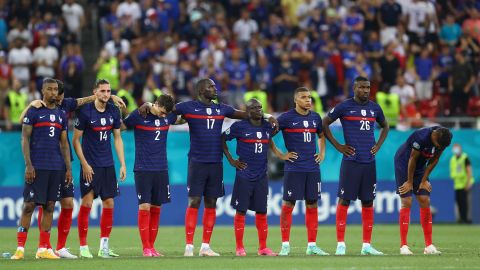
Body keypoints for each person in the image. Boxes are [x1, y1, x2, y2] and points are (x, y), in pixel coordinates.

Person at [140, 78, 277, 257]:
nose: (215, 88)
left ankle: (205, 246)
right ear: (200, 90)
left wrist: (267, 116)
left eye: (214, 86)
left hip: (215, 163)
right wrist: (149, 104)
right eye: (210, 86)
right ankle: (189, 246)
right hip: (197, 163)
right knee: (194, 201)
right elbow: (164, 108)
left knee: (211, 203)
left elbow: (245, 114)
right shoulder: (187, 107)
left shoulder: (221, 108)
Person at [18, 80, 125, 258]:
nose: (57, 96)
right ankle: (43, 247)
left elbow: (84, 100)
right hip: (45, 162)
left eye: (58, 92)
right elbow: (22, 121)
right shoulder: (38, 108)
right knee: (43, 204)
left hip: (63, 163)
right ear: (45, 92)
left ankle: (60, 247)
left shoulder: (65, 105)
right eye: (52, 91)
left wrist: (108, 96)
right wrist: (30, 104)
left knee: (67, 203)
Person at [322, 76, 389, 256]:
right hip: (351, 162)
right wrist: (338, 146)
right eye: (362, 87)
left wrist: (378, 145)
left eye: (368, 87)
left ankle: (366, 245)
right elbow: (324, 122)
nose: (366, 91)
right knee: (344, 200)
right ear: (354, 88)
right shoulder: (344, 106)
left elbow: (385, 125)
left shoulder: (375, 107)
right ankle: (340, 244)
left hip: (369, 162)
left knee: (368, 201)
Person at [11, 78, 72, 260]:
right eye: (50, 89)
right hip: (37, 166)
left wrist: (68, 169)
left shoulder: (62, 115)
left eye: (55, 89)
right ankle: (20, 248)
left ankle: (43, 248)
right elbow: (24, 138)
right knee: (29, 206)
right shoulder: (34, 111)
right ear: (43, 92)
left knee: (50, 206)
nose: (54, 92)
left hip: (56, 167)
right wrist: (29, 164)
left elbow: (64, 144)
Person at [270, 87, 328, 256]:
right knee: (289, 204)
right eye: (304, 97)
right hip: (294, 168)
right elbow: (267, 135)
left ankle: (311, 245)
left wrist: (322, 153)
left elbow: (321, 136)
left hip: (312, 168)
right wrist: (281, 155)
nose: (308, 100)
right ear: (296, 100)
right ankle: (285, 246)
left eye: (309, 97)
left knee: (312, 204)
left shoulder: (316, 117)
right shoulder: (286, 118)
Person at [72, 79, 126, 258]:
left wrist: (122, 163)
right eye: (102, 91)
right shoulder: (85, 112)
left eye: (109, 91)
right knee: (87, 203)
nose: (106, 94)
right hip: (91, 166)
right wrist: (84, 164)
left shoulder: (113, 110)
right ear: (95, 92)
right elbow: (75, 141)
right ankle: (83, 246)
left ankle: (104, 247)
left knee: (109, 203)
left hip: (108, 165)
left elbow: (117, 138)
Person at [122, 94, 181, 257]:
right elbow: (120, 127)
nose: (164, 116)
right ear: (155, 104)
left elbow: (181, 117)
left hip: (161, 169)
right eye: (162, 112)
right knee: (144, 206)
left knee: (156, 207)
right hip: (143, 168)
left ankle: (152, 247)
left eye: (165, 113)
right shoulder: (139, 115)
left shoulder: (168, 116)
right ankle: (146, 247)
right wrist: (142, 104)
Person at [222, 99, 277, 257]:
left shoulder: (267, 126)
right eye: (254, 108)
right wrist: (232, 160)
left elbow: (276, 127)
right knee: (241, 211)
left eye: (260, 107)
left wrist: (272, 118)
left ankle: (263, 248)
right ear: (247, 111)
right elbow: (222, 139)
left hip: (261, 176)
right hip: (244, 175)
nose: (258, 110)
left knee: (262, 212)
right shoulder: (239, 127)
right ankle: (240, 247)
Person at [395, 126, 452, 255]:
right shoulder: (420, 137)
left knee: (424, 199)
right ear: (434, 137)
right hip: (404, 164)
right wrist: (409, 182)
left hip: (420, 167)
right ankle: (403, 246)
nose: (439, 148)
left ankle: (429, 246)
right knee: (407, 201)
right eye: (438, 145)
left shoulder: (444, 138)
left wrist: (423, 180)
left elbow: (435, 159)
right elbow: (412, 159)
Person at [450, 143, 474, 224]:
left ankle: (467, 219)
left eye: (457, 148)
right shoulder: (453, 159)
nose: (455, 150)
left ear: (460, 149)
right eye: (454, 148)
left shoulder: (465, 158)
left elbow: (469, 171)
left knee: (465, 203)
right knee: (459, 203)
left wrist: (468, 183)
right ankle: (461, 219)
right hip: (457, 185)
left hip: (465, 184)